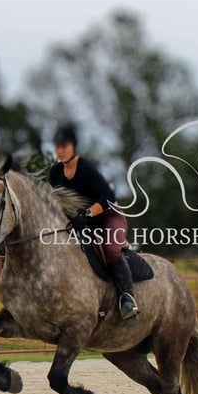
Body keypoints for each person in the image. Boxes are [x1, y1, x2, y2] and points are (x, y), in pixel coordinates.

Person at [48, 124, 140, 321]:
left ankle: (127, 298)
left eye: (64, 145)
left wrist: (87, 214)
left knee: (110, 249)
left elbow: (108, 197)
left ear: (74, 147)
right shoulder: (55, 173)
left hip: (109, 217)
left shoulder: (87, 169)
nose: (60, 151)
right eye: (57, 146)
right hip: (81, 223)